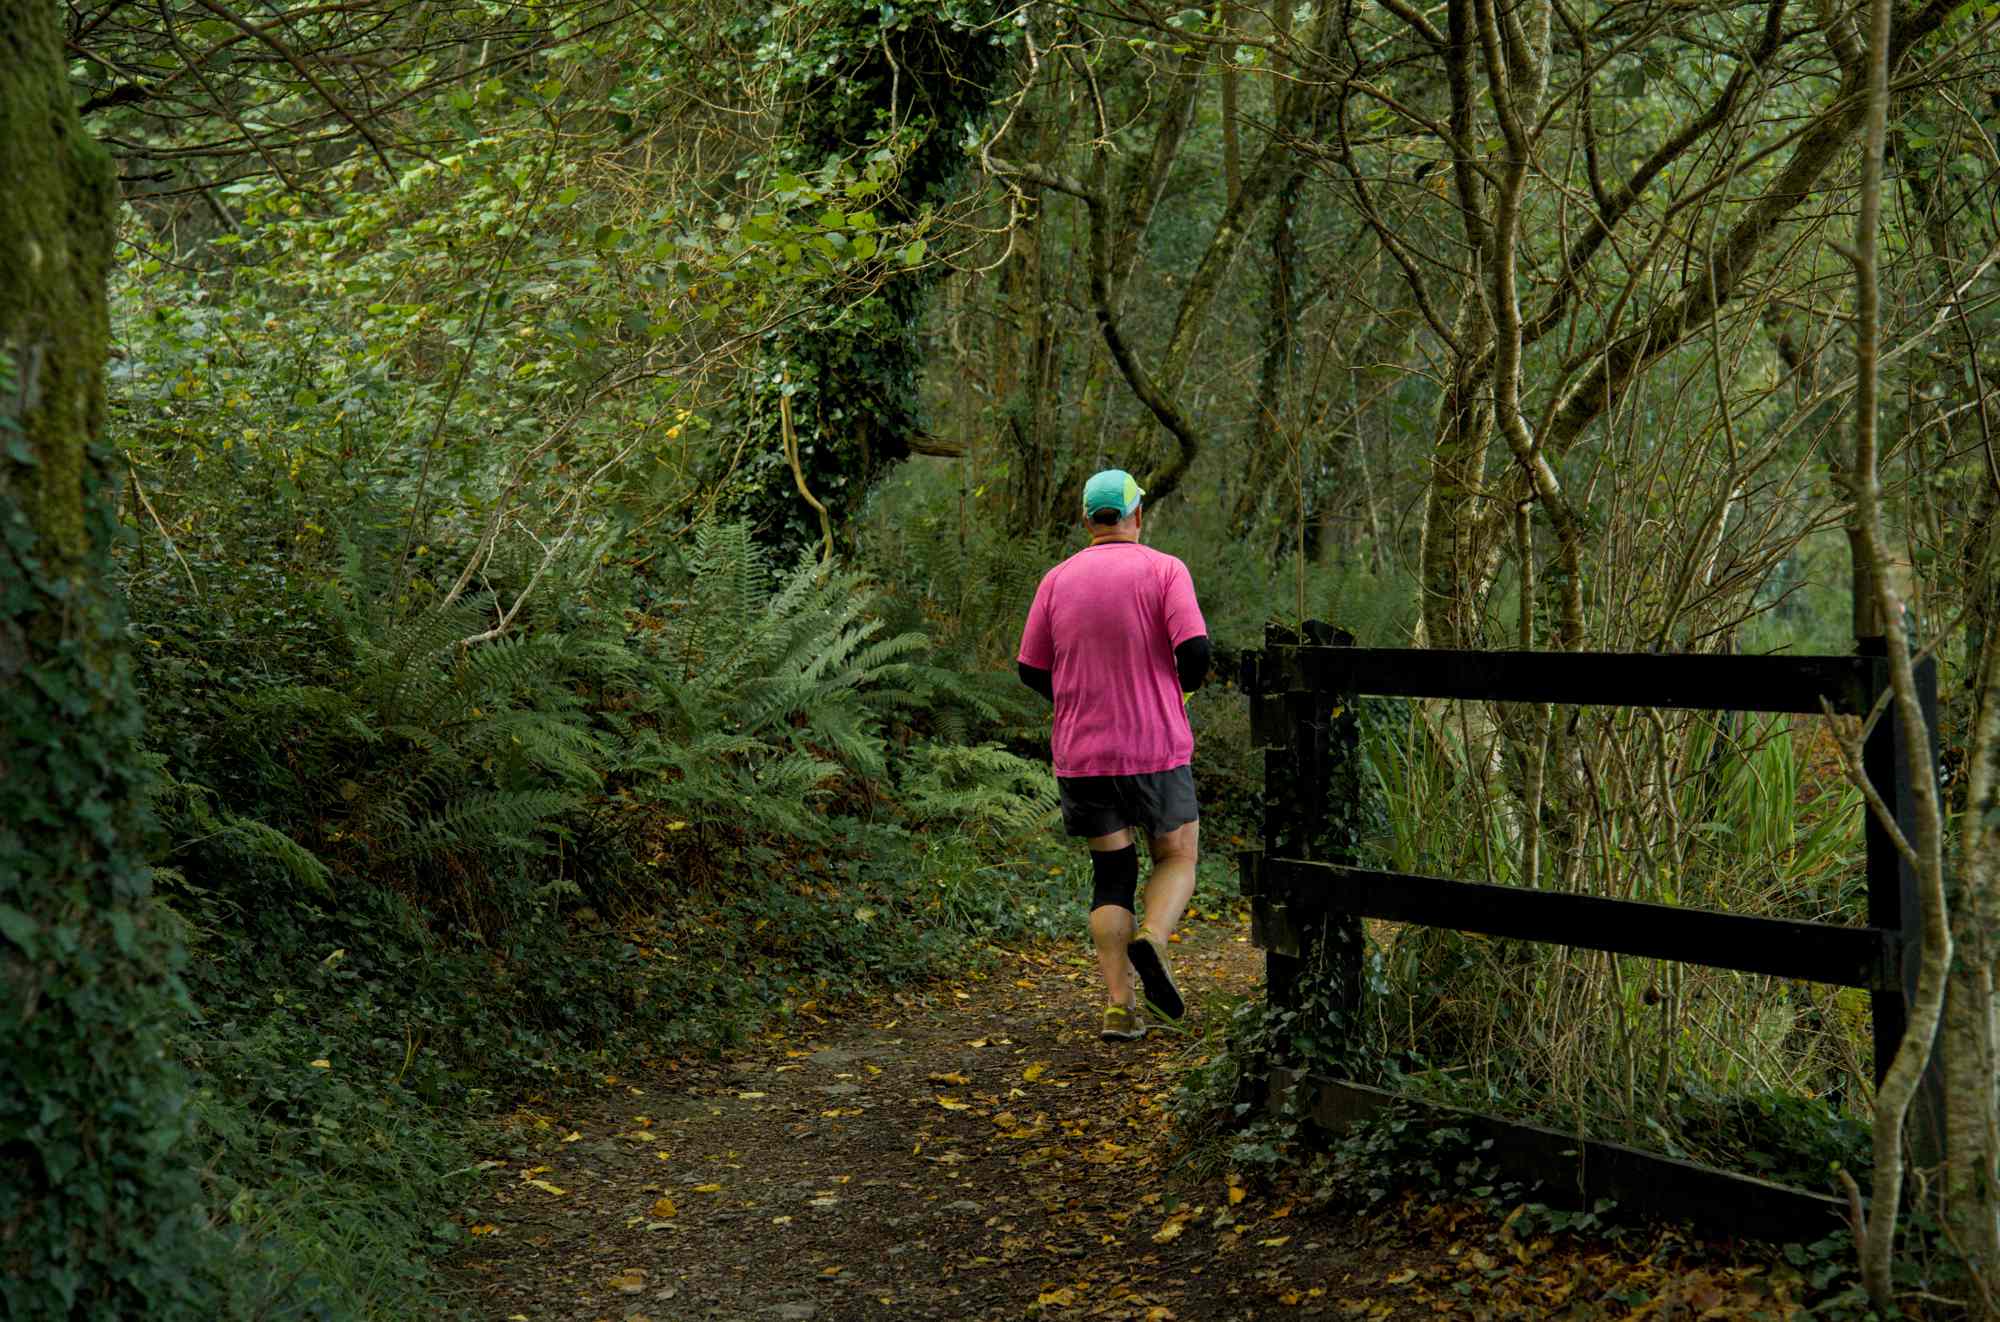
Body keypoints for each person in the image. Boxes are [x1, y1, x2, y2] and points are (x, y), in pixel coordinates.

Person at [1016, 469, 1212, 1041]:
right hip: (1156, 744)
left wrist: (1074, 698)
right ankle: (1152, 936)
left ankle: (1120, 1009)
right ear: (1137, 516)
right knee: (1177, 855)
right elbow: (1195, 649)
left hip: (1084, 751)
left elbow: (1031, 668)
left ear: (1086, 521)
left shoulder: (1056, 580)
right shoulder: (1164, 569)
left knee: (1111, 873)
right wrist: (1181, 693)